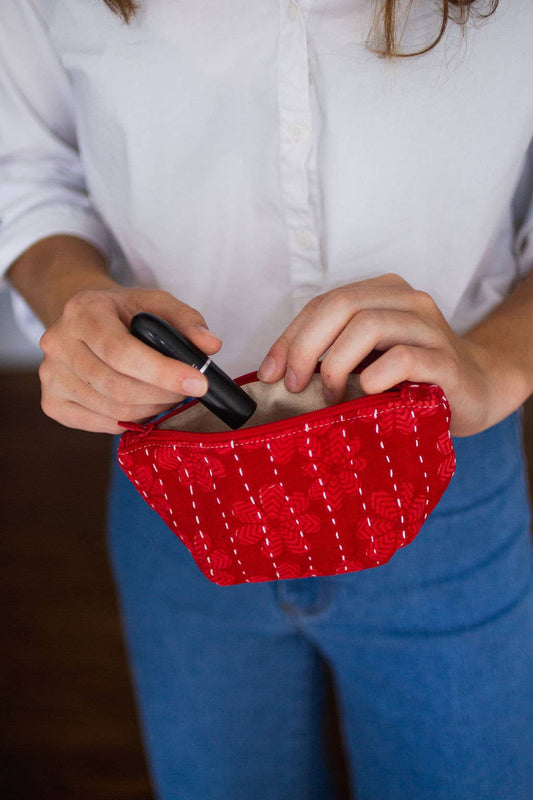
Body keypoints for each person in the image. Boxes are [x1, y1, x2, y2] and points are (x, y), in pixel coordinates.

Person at [2, 1, 532, 798]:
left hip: (442, 472)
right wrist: (74, 299)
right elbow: (26, 169)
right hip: (179, 482)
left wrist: (496, 363)